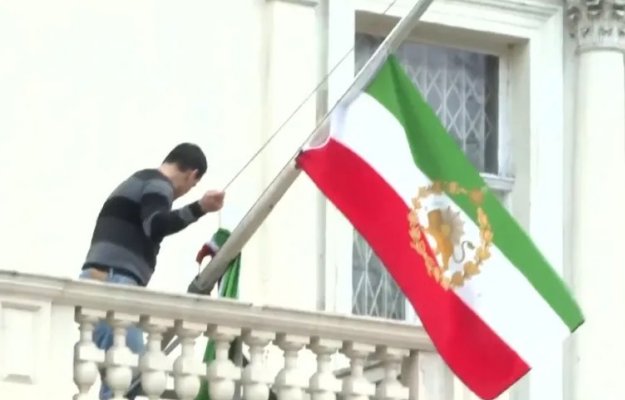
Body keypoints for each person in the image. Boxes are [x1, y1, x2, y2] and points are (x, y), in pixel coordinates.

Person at [79, 142, 225, 399]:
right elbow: (156, 224)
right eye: (192, 186)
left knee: (120, 378)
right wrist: (199, 207)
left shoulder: (141, 181)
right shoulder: (159, 184)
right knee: (127, 375)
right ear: (192, 175)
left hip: (100, 279)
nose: (185, 192)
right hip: (116, 281)